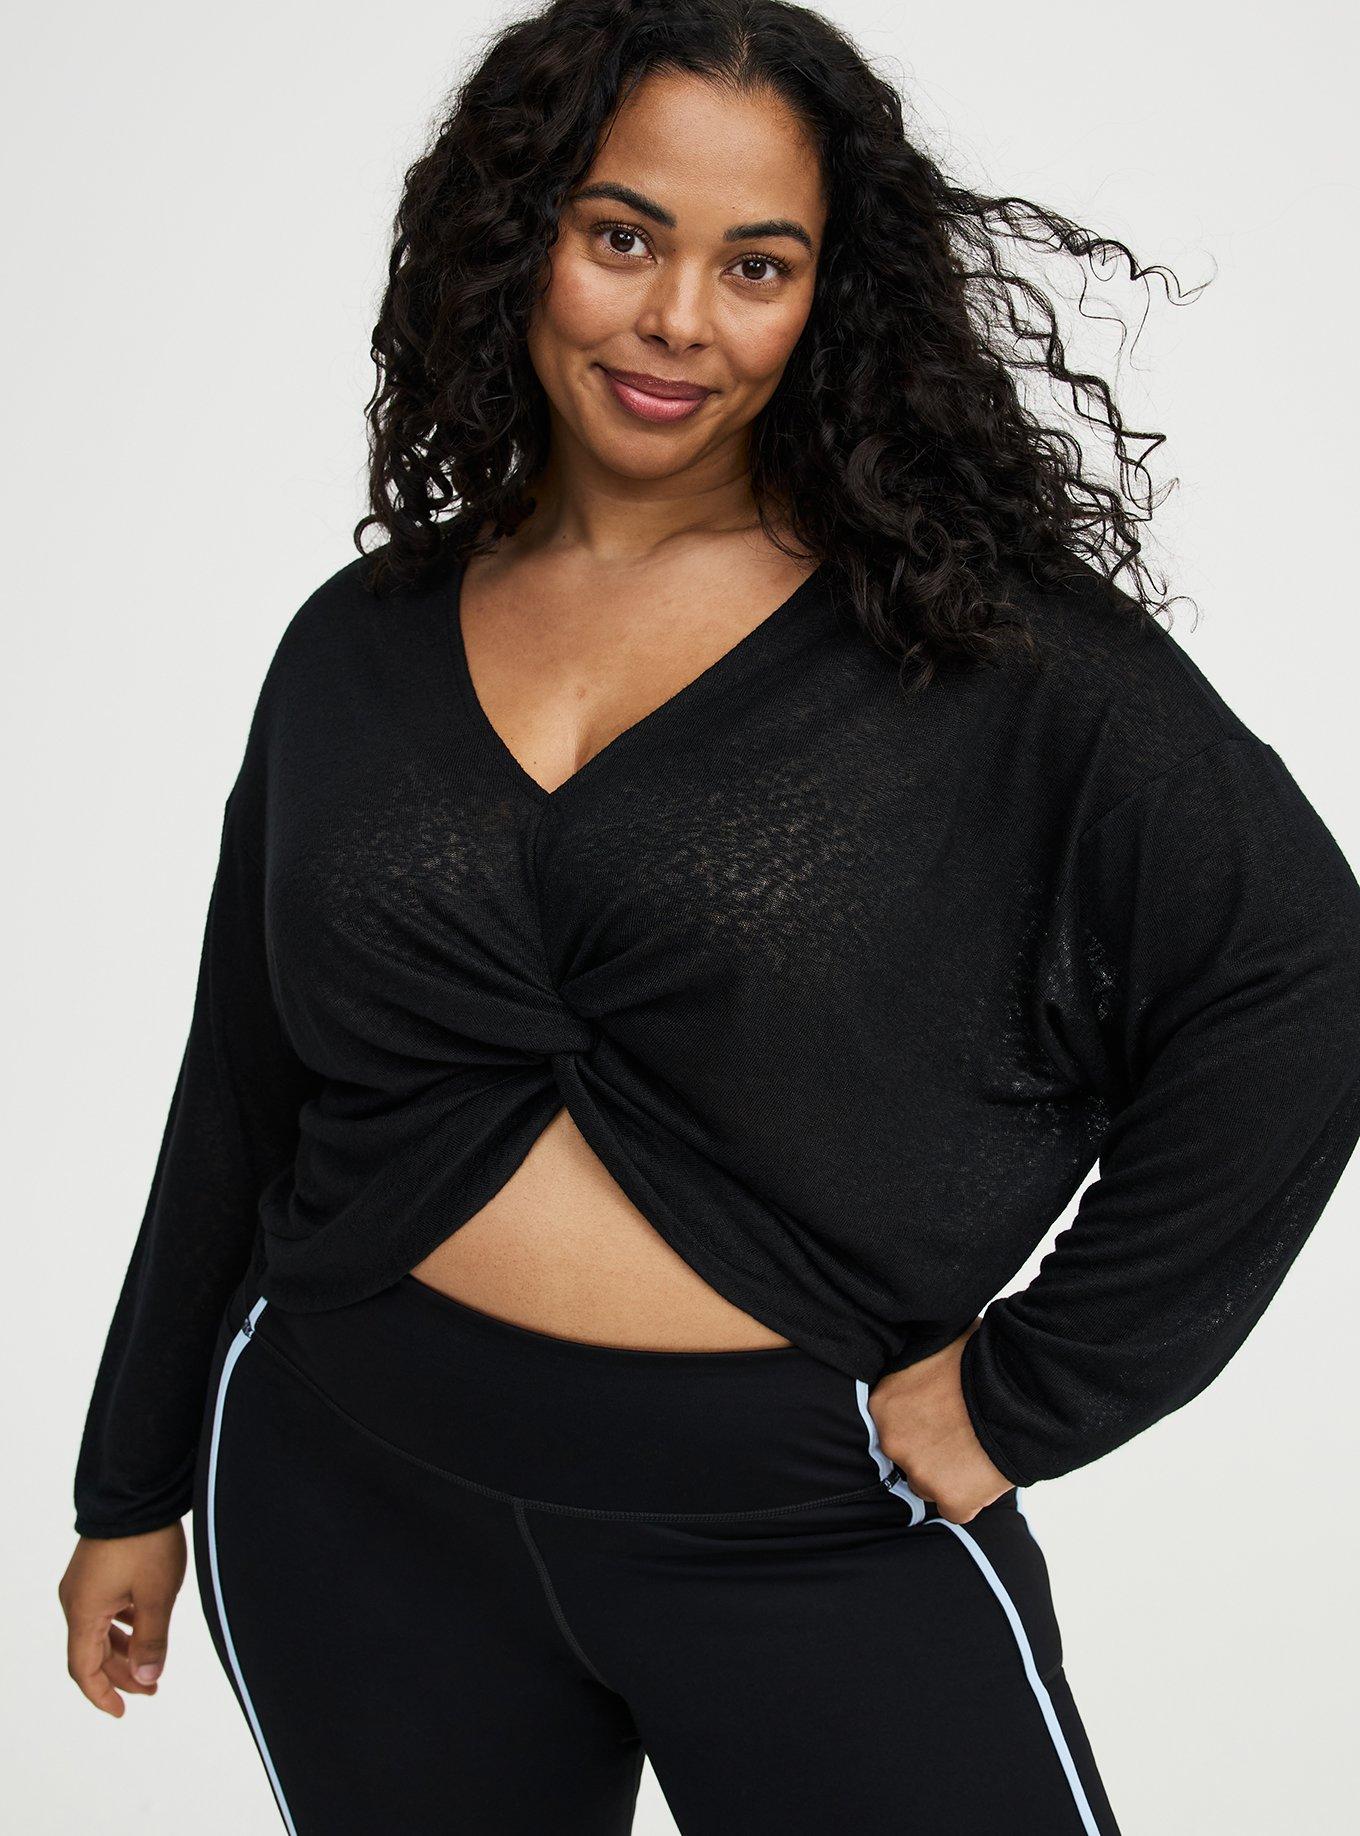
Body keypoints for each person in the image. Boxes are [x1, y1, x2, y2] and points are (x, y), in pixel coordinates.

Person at [59, 2, 1360, 1831]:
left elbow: (1298, 984)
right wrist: (130, 1483)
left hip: (804, 1521)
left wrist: (1026, 1398)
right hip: (350, 1486)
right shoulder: (356, 645)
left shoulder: (973, 644)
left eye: (758, 265)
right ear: (518, 240)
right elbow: (245, 1076)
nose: (678, 318)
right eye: (623, 236)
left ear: (829, 298)